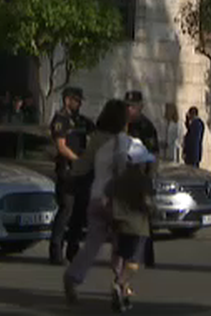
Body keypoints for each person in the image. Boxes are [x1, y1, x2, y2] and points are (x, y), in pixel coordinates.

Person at [62, 98, 156, 311]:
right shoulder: (127, 142)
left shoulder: (96, 139)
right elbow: (142, 165)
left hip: (96, 197)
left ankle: (73, 277)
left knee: (92, 244)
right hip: (119, 201)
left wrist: (72, 173)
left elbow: (81, 166)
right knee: (125, 244)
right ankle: (121, 284)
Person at [48, 86, 93, 265]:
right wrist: (77, 160)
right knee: (66, 210)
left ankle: (73, 250)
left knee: (79, 213)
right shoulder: (60, 119)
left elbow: (96, 133)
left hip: (81, 173)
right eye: (76, 101)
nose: (79, 104)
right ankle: (56, 251)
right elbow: (61, 146)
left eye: (80, 101)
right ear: (67, 100)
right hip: (67, 171)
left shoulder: (81, 120)